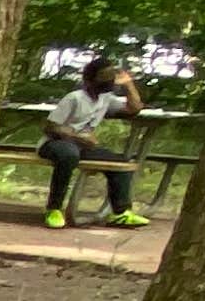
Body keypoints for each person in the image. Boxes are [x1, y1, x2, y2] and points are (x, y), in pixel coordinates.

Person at [39, 55, 149, 232]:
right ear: (90, 79)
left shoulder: (106, 99)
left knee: (119, 162)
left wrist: (128, 84)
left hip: (82, 147)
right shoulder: (74, 98)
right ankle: (54, 209)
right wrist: (78, 137)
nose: (108, 81)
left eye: (110, 77)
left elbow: (134, 109)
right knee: (68, 155)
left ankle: (120, 212)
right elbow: (51, 127)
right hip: (55, 144)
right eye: (104, 77)